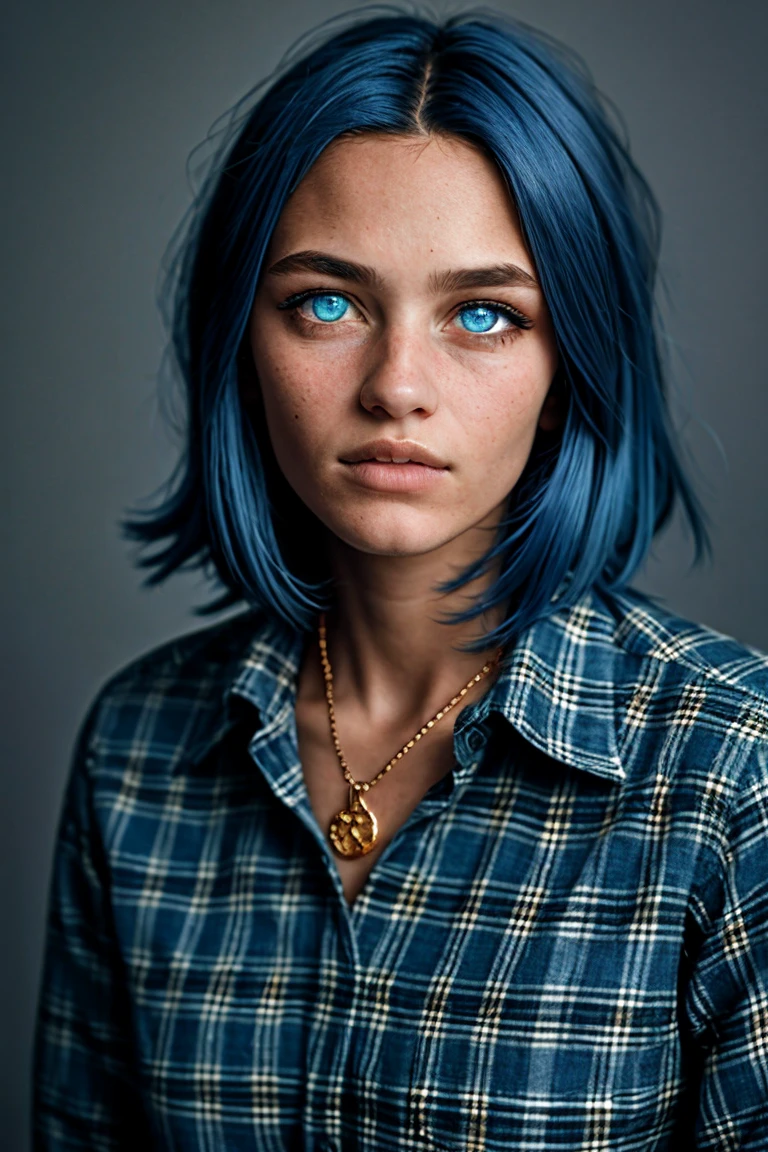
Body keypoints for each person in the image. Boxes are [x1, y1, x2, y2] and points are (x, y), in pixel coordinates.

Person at [32, 6, 768, 1150]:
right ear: (241, 334)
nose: (396, 387)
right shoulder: (140, 751)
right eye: (327, 303)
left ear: (570, 359)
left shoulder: (734, 774)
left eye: (483, 314)